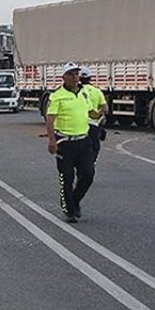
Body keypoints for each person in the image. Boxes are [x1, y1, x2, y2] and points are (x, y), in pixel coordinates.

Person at [45, 63, 94, 222]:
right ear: (64, 77)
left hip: (83, 140)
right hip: (65, 142)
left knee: (88, 174)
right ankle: (69, 210)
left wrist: (101, 114)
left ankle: (74, 200)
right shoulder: (57, 96)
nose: (75, 77)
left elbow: (90, 112)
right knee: (66, 177)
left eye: (76, 74)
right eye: (71, 74)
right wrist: (52, 140)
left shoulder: (84, 93)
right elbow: (50, 119)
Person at [79, 68, 108, 160]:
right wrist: (99, 115)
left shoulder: (76, 91)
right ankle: (91, 165)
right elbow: (105, 109)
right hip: (94, 125)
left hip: (79, 126)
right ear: (90, 78)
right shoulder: (97, 91)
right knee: (94, 148)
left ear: (79, 78)